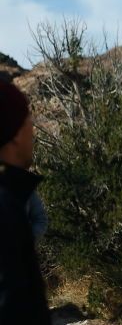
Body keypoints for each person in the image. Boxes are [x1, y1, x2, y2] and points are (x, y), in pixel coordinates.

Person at [0, 81, 51, 325]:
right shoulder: (4, 208)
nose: (33, 130)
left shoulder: (13, 196)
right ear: (15, 134)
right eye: (28, 122)